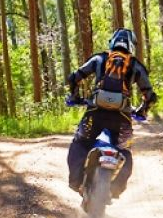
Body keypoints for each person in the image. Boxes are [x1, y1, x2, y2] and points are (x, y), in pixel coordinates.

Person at [66, 27, 157, 201]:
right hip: (122, 119)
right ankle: (114, 189)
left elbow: (74, 78)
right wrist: (142, 111)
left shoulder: (99, 58)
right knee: (125, 151)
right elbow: (150, 95)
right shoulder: (135, 65)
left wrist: (74, 97)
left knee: (80, 143)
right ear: (131, 45)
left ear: (112, 42)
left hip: (94, 114)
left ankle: (76, 181)